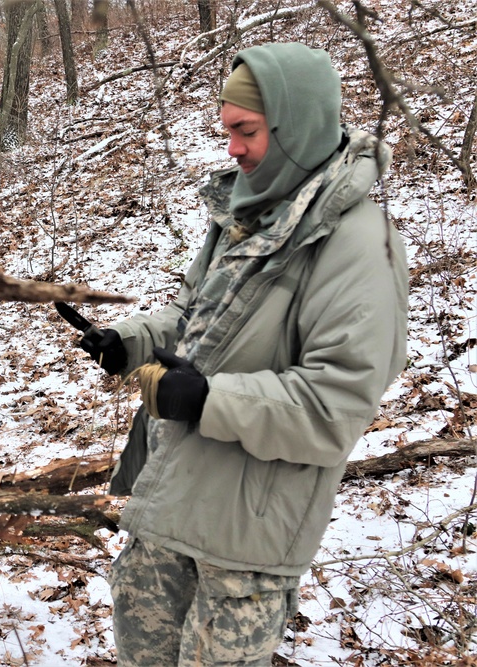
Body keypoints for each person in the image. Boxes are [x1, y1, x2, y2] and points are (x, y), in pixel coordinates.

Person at [79, 42, 409, 666]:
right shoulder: (246, 208)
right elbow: (192, 318)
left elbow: (334, 406)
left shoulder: (362, 246)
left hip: (247, 537)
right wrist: (129, 341)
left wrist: (209, 399)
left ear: (297, 125)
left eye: (246, 130)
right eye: (226, 130)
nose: (232, 148)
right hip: (172, 495)